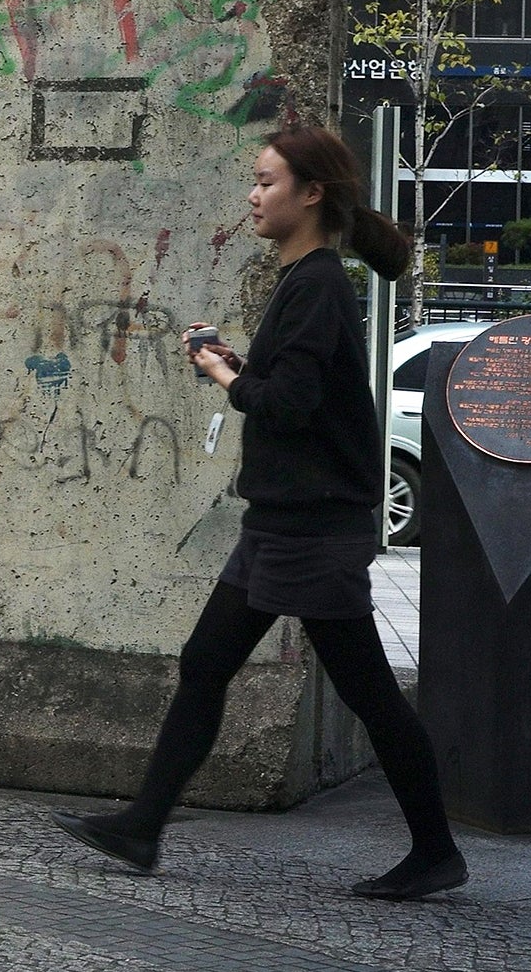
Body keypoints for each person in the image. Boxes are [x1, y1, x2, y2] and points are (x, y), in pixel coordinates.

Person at [51, 125, 466, 900]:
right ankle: (142, 825)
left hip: (311, 530)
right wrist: (240, 365)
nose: (253, 194)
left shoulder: (317, 283)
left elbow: (291, 405)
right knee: (206, 663)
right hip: (283, 522)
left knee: (370, 691)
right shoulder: (308, 279)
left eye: (267, 182)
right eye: (255, 179)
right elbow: (293, 391)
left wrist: (220, 373)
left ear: (310, 194)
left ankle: (436, 850)